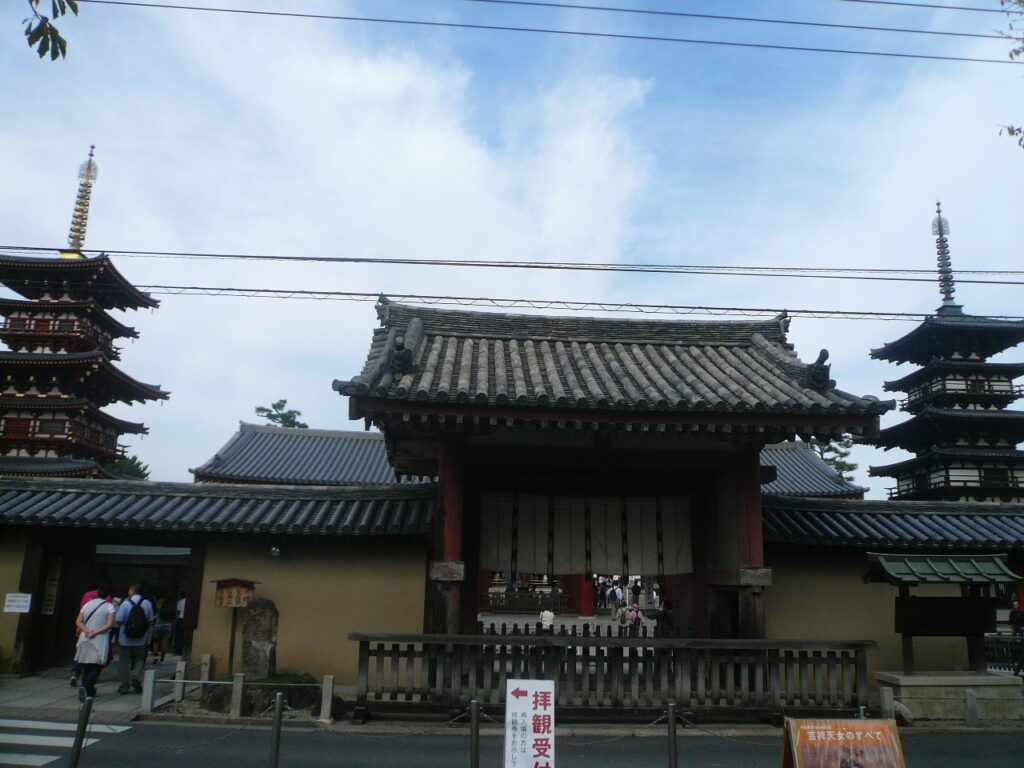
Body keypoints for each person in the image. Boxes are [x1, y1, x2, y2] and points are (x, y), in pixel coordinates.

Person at [74, 586, 115, 701]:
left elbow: (78, 621)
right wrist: (96, 632)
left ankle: (88, 689)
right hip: (100, 638)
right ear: (107, 595)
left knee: (87, 664)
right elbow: (109, 624)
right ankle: (86, 688)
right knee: (97, 665)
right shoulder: (109, 606)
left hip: (85, 637)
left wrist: (87, 630)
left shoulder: (87, 604)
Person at [115, 583, 154, 694]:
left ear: (132, 590)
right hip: (141, 638)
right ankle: (136, 676)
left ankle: (124, 686)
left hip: (125, 638)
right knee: (140, 660)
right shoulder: (147, 603)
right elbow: (151, 620)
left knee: (124, 662)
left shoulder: (125, 603)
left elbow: (119, 620)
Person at [152, 591, 176, 664]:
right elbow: (174, 618)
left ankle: (155, 657)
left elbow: (156, 612)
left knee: (156, 642)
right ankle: (162, 659)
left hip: (158, 625)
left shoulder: (160, 604)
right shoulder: (173, 606)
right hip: (167, 625)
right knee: (164, 642)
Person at [173, 590, 187, 656]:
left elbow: (178, 612)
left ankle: (177, 650)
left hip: (180, 619)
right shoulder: (187, 601)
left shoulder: (180, 601)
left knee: (178, 635)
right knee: (182, 635)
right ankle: (181, 650)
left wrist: (175, 619)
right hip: (185, 619)